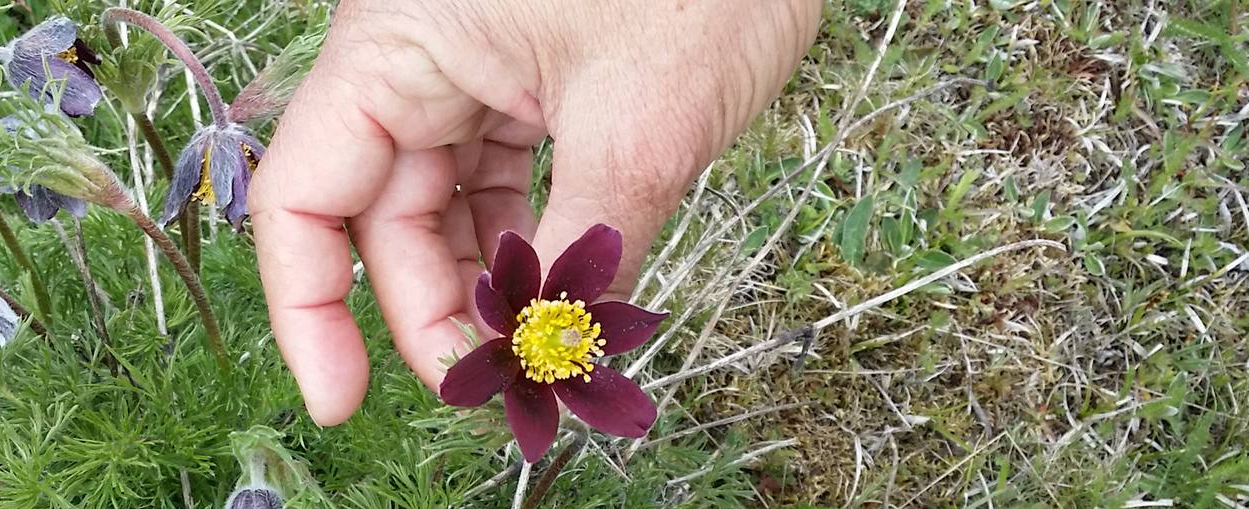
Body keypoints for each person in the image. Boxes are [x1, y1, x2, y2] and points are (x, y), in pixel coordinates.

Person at [248, 0, 823, 426]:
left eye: (564, 338)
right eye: (572, 336)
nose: (573, 338)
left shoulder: (552, 334)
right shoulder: (513, 328)